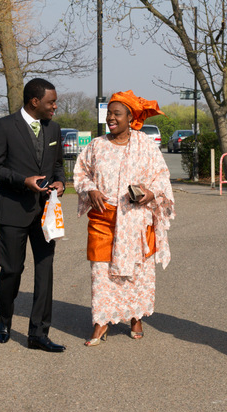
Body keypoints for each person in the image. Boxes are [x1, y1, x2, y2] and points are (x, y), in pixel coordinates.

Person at [73, 90, 175, 346]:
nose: (111, 118)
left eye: (117, 114)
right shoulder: (96, 146)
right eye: (109, 113)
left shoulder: (145, 145)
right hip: (103, 219)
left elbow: (162, 176)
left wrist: (150, 193)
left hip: (136, 222)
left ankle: (135, 316)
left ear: (130, 117)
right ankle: (101, 321)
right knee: (101, 271)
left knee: (137, 273)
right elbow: (81, 173)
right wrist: (90, 189)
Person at [0, 78, 66, 352]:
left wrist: (61, 183)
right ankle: (5, 319)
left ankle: (38, 334)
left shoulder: (54, 128)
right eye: (51, 102)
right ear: (35, 102)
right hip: (12, 211)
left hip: (45, 213)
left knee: (45, 271)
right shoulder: (3, 126)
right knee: (12, 270)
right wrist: (23, 181)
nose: (55, 106)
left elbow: (58, 165)